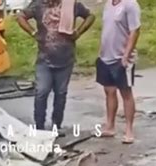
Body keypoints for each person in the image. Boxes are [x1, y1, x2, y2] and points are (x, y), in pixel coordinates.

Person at [17, 0, 95, 131]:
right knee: (41, 91)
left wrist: (79, 32)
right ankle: (39, 127)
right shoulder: (38, 4)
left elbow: (90, 16)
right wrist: (32, 32)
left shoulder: (71, 4)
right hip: (44, 59)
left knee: (61, 93)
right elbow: (20, 17)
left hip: (65, 58)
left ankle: (56, 126)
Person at [97, 0, 141, 144]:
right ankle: (110, 126)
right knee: (109, 91)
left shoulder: (130, 4)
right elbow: (107, 29)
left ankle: (129, 130)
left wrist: (126, 54)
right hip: (106, 56)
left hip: (121, 57)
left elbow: (135, 30)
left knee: (126, 93)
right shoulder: (109, 3)